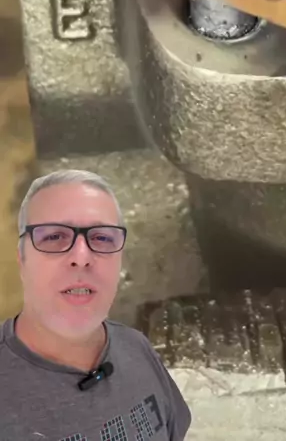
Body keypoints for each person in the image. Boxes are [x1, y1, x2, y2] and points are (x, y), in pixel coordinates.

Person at [0, 168, 191, 440]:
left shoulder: (137, 348)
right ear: (22, 260)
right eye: (54, 237)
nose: (81, 257)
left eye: (102, 238)